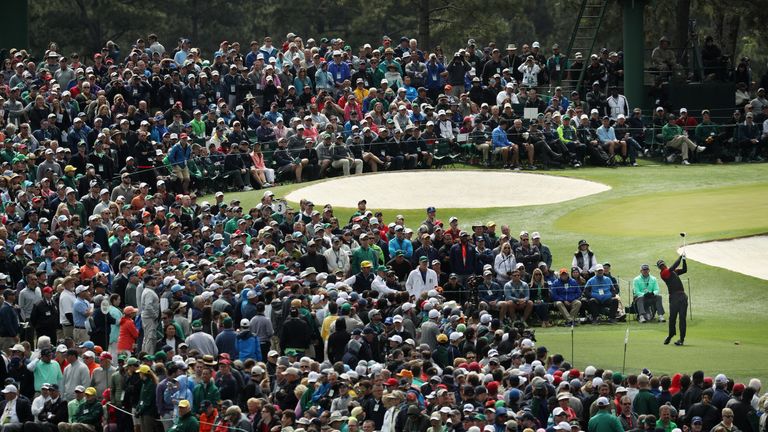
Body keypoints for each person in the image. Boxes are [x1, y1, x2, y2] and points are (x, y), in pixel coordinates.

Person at [657, 254, 688, 346]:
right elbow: (673, 266)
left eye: (663, 264)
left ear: (664, 264)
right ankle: (671, 334)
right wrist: (680, 257)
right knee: (672, 318)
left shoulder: (673, 271)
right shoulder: (663, 273)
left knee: (682, 318)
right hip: (674, 298)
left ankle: (681, 339)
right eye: (661, 266)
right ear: (659, 268)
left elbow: (684, 270)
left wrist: (684, 260)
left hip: (682, 296)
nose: (662, 266)